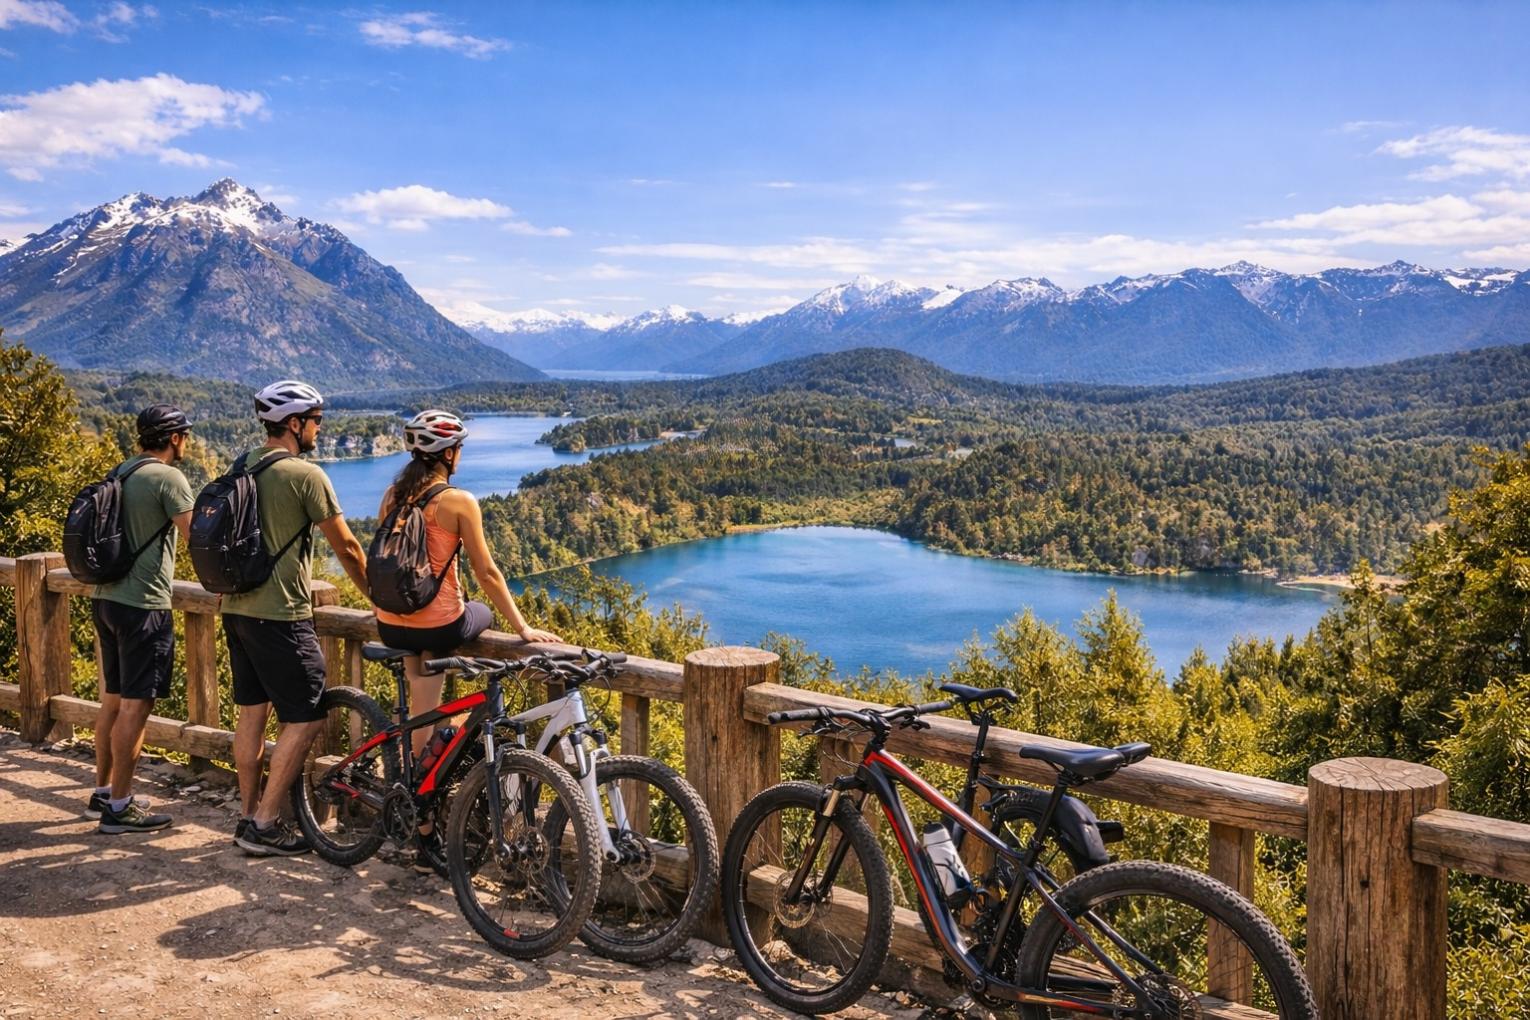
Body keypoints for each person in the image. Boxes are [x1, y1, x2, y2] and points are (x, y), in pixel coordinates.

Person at [371, 410, 561, 865]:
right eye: (459, 449)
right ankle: (423, 815)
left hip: (391, 620)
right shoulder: (458, 502)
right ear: (449, 454)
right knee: (480, 615)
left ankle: (422, 770)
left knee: (421, 695)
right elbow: (487, 572)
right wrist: (522, 629)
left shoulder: (393, 495)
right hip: (439, 624)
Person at [223, 380, 369, 857]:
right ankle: (265, 823)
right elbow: (347, 547)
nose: (319, 429)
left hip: (237, 608)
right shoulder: (305, 475)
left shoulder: (242, 464)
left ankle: (248, 815)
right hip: (281, 614)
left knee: (252, 713)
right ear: (294, 423)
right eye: (316, 421)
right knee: (306, 717)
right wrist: (378, 599)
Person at [88, 405, 195, 834]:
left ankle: (103, 792)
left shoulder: (122, 470)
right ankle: (121, 806)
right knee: (136, 706)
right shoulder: (168, 478)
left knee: (113, 701)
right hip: (143, 605)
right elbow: (198, 540)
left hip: (106, 599)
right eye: (185, 435)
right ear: (175, 438)